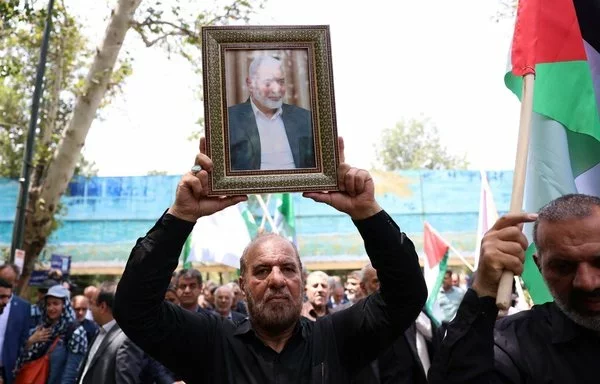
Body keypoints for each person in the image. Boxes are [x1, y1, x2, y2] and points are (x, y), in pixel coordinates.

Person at [113, 137, 427, 383]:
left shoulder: (336, 339)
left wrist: (367, 213)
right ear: (242, 285)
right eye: (262, 270)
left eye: (288, 269)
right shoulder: (210, 344)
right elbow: (134, 309)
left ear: (301, 280)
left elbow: (406, 295)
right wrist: (180, 217)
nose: (276, 279)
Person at [428, 194, 600, 383]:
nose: (587, 283)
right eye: (563, 267)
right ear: (539, 266)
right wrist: (484, 290)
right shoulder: (511, 345)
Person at [228, 55, 315, 171]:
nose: (276, 89)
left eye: (281, 82)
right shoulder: (228, 119)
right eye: (268, 83)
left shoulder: (305, 118)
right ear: (250, 84)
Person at [15, 285, 87, 384]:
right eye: (48, 304)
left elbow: (72, 371)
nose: (51, 308)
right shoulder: (41, 328)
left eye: (55, 303)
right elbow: (21, 360)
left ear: (65, 305)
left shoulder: (75, 331)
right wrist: (30, 341)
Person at [76, 281, 144, 384]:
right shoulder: (100, 331)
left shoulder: (126, 340)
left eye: (92, 303)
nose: (90, 308)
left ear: (102, 307)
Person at [0, 265, 31, 384]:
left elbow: (23, 341)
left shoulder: (23, 307)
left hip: (9, 371)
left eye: (7, 282)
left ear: (16, 282)